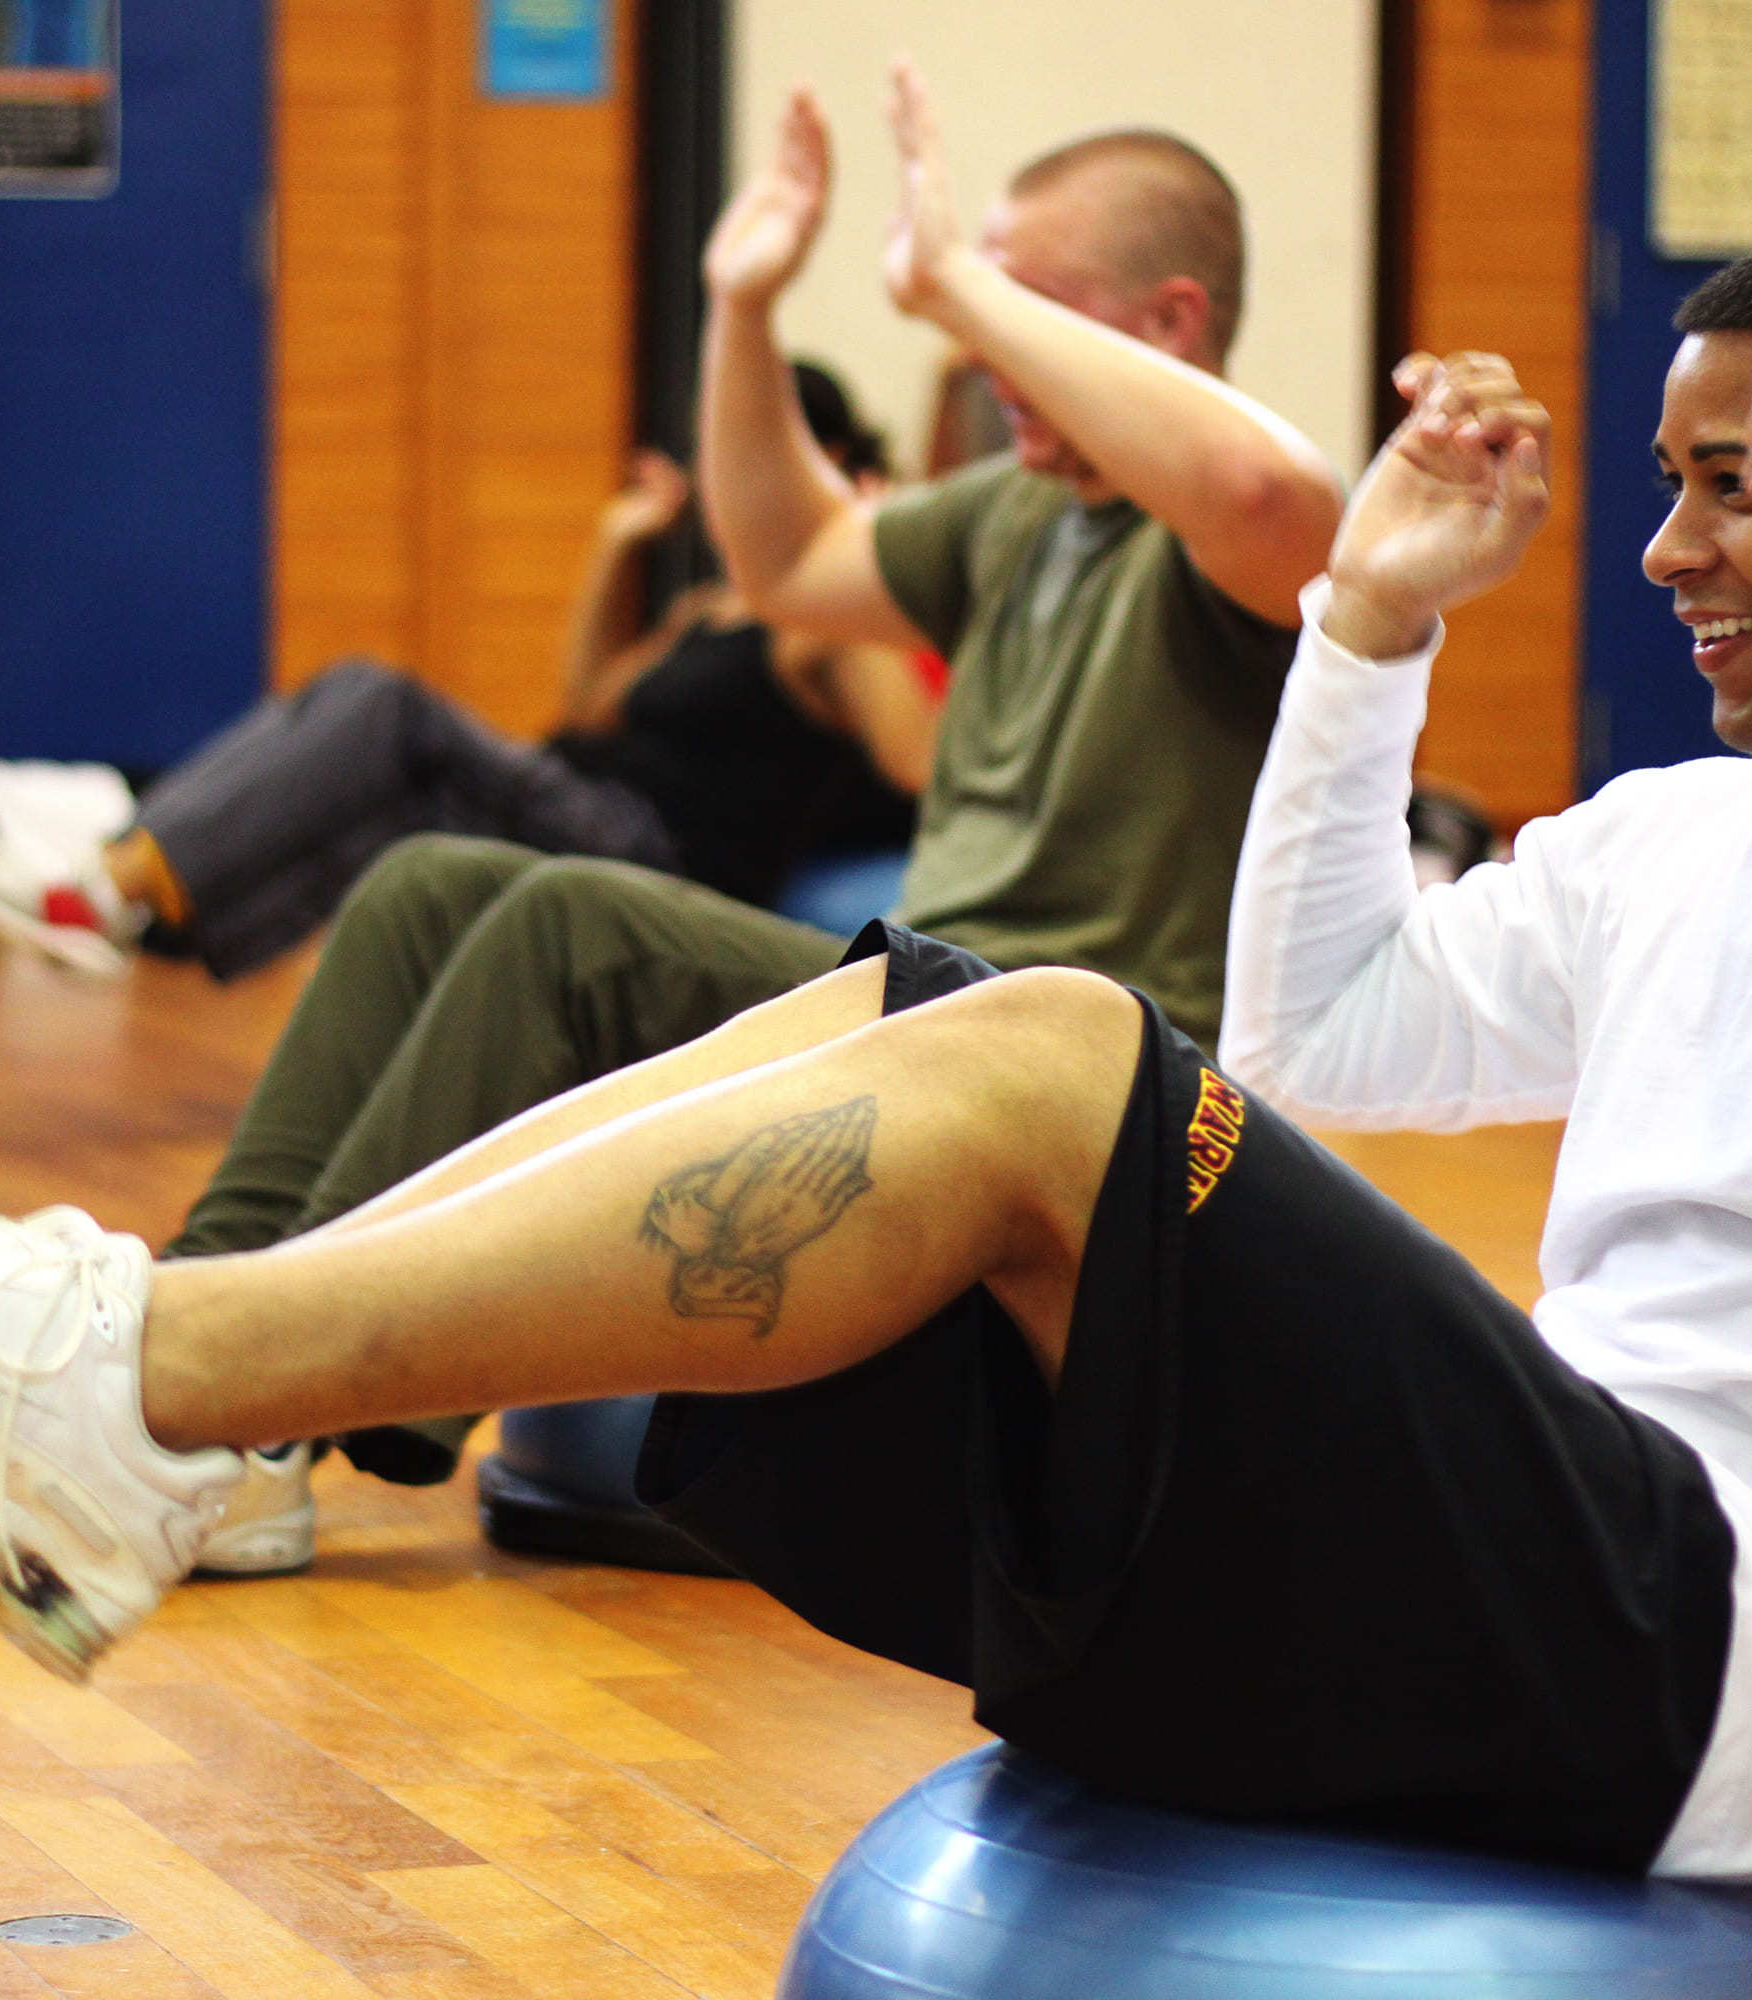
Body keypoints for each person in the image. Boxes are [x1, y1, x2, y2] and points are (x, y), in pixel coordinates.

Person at [0, 215, 1752, 1885]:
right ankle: (153, 1391)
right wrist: (1361, 631)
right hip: (1510, 1594)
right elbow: (1333, 1034)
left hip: (1728, 1684)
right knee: (931, 1013)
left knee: (1050, 1062)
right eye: (1672, 487)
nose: (1671, 546)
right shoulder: (1682, 837)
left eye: (1743, 490)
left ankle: (135, 1388)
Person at [139, 63, 1344, 1560]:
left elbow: (1271, 493)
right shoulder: (1023, 514)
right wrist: (745, 308)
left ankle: (248, 1425)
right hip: (916, 1007)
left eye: (1028, 310)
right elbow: (783, 559)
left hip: (1073, 1075)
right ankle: (162, 1343)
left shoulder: (1231, 542)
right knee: (436, 879)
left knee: (571, 925)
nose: (981, 356)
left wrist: (958, 283)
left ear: (1169, 322)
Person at [0, 362, 934, 980]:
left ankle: (111, 879)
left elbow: (918, 764)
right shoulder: (710, 606)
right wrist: (613, 543)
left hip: (656, 851)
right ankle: (142, 918)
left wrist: (872, 552)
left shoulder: (831, 624)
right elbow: (588, 704)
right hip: (583, 788)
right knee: (377, 796)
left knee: (380, 702)